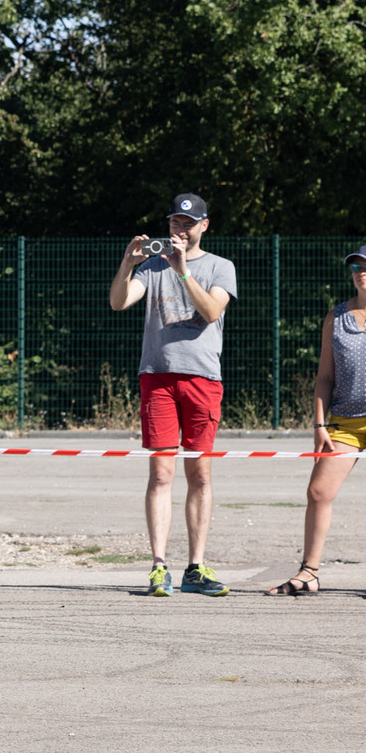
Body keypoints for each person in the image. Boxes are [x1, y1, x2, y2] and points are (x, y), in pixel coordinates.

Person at [109, 192, 237, 597]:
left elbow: (212, 311)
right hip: (158, 377)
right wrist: (127, 265)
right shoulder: (151, 265)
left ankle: (195, 567)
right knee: (161, 473)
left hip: (202, 378)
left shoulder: (221, 267)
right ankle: (159, 565)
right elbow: (118, 302)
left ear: (203, 226)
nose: (179, 230)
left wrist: (183, 270)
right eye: (174, 224)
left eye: (187, 223)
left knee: (199, 474)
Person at [265, 245, 366, 595]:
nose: (361, 271)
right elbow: (324, 376)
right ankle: (309, 573)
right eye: (356, 266)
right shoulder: (336, 317)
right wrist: (319, 424)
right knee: (319, 492)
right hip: (345, 421)